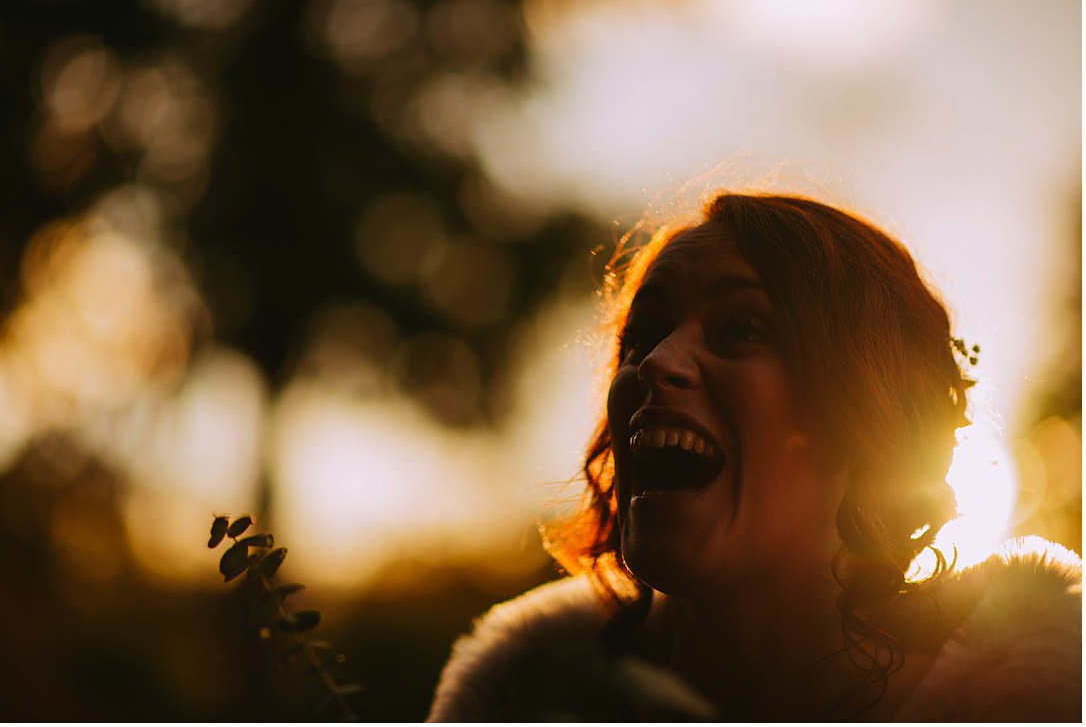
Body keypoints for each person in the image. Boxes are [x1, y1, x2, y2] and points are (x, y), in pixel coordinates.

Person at [427, 192, 1082, 722]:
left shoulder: (1042, 695)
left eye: (741, 328)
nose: (656, 364)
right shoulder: (519, 698)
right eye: (643, 335)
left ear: (869, 412)